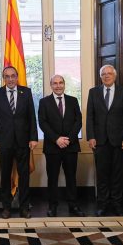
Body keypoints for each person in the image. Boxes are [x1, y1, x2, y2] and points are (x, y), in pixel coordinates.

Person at [0, 66, 38, 219]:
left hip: (23, 141)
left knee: (24, 176)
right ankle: (6, 207)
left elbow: (32, 117)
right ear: (4, 78)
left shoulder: (26, 92)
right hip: (4, 142)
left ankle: (24, 208)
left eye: (13, 76)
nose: (10, 79)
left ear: (17, 77)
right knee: (5, 176)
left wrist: (33, 138)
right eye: (7, 76)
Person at [86, 64, 123, 216]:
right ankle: (103, 204)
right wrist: (91, 136)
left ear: (115, 75)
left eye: (109, 73)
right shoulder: (93, 92)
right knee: (102, 174)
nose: (106, 76)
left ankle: (117, 204)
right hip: (100, 141)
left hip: (119, 141)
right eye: (103, 74)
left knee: (118, 174)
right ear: (100, 77)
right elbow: (90, 116)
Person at [38, 75, 85, 217]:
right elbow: (43, 122)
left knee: (71, 177)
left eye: (60, 83)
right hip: (52, 147)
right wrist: (57, 139)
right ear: (51, 85)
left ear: (64, 84)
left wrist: (69, 139)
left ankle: (73, 206)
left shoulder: (73, 100)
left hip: (71, 146)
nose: (58, 86)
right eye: (55, 83)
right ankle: (53, 206)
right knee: (52, 178)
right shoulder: (44, 102)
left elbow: (78, 121)